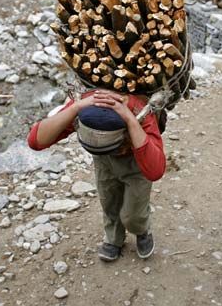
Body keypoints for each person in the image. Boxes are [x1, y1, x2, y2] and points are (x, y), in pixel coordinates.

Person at [27, 88, 166, 261]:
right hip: (103, 161)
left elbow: (155, 170)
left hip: (137, 161)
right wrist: (75, 107)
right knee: (108, 201)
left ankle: (141, 229)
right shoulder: (86, 105)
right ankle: (114, 238)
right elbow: (35, 140)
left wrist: (130, 120)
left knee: (133, 214)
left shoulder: (140, 111)